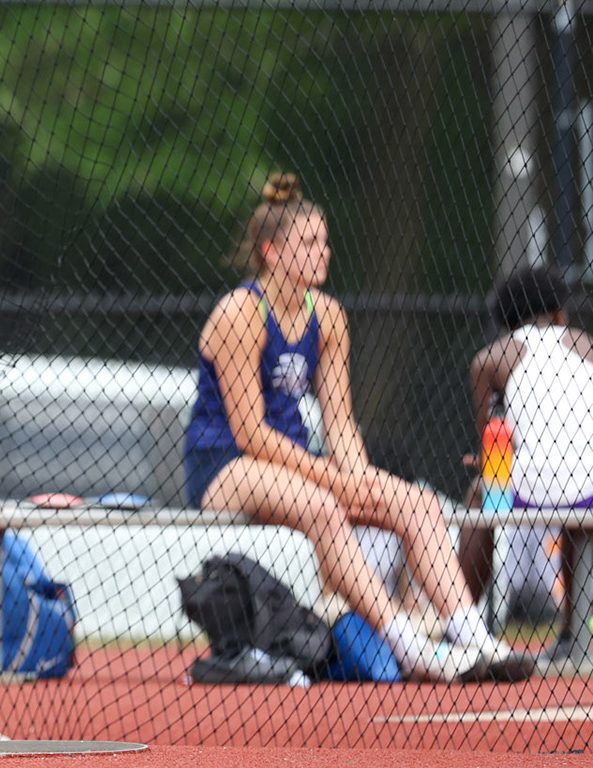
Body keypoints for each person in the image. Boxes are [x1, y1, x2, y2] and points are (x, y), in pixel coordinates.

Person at [185, 173, 533, 683]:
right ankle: (411, 648)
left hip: (293, 469)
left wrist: (362, 481)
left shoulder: (327, 316)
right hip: (225, 467)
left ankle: (477, 641)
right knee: (326, 506)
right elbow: (249, 433)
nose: (323, 252)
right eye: (308, 243)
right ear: (272, 251)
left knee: (415, 503)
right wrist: (337, 483)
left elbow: (341, 423)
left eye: (324, 241)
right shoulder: (241, 312)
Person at [462, 266, 593, 653]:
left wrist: (491, 463)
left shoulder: (490, 358)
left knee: (477, 498)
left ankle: (462, 625)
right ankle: (571, 630)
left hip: (528, 491)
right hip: (588, 488)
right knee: (575, 512)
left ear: (507, 319)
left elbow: (493, 441)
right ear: (558, 313)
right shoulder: (586, 344)